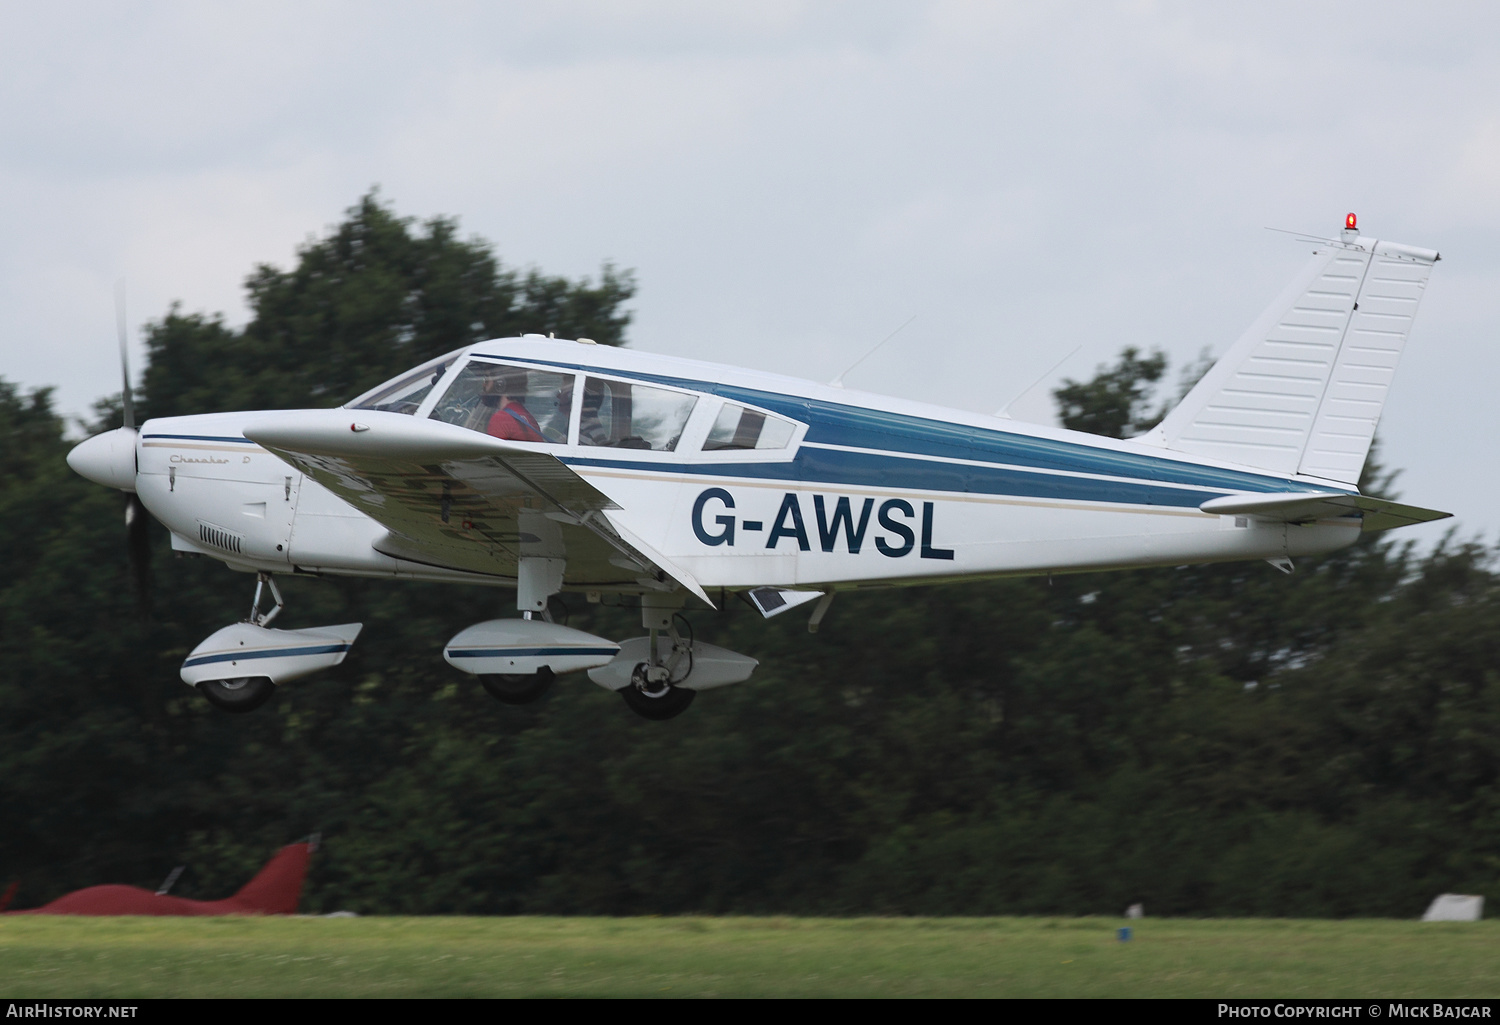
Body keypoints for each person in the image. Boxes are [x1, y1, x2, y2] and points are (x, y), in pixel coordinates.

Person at [479, 369, 546, 442]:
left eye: (487, 380)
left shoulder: (501, 419)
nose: (484, 384)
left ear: (499, 384)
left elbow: (492, 452)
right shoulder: (530, 419)